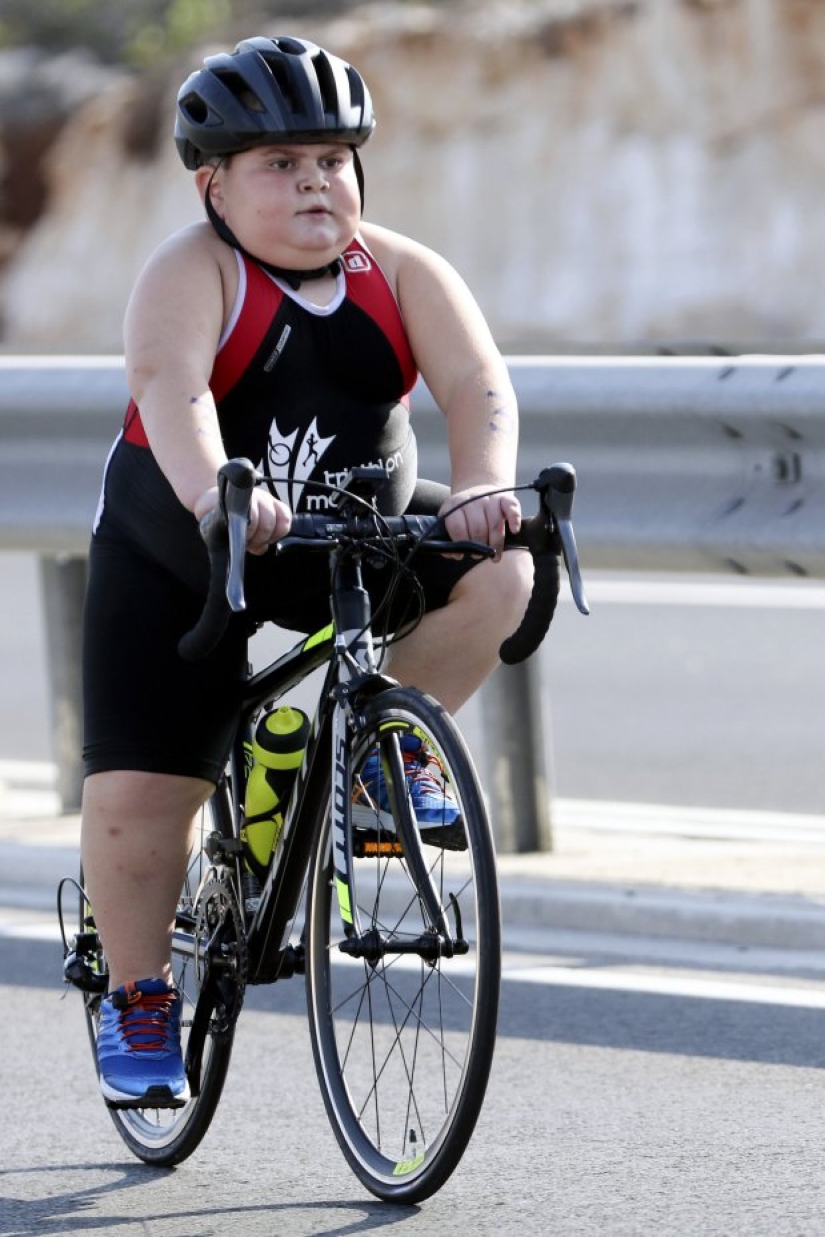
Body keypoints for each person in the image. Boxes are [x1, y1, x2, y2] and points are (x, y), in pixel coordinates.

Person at [81, 34, 533, 1109]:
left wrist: (481, 482)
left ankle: (380, 754)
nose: (315, 183)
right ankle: (140, 996)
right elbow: (172, 392)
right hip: (187, 553)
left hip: (348, 539)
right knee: (145, 796)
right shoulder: (191, 272)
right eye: (281, 165)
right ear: (215, 186)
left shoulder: (403, 271)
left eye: (331, 160)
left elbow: (478, 383)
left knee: (503, 573)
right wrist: (216, 498)